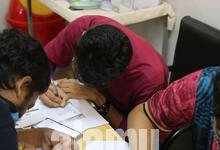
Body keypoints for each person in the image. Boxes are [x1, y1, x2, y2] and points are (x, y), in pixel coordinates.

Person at [40, 15, 168, 130]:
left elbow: (140, 137)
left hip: (123, 124)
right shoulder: (84, 26)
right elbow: (44, 60)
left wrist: (96, 97)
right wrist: (45, 84)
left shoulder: (151, 78)